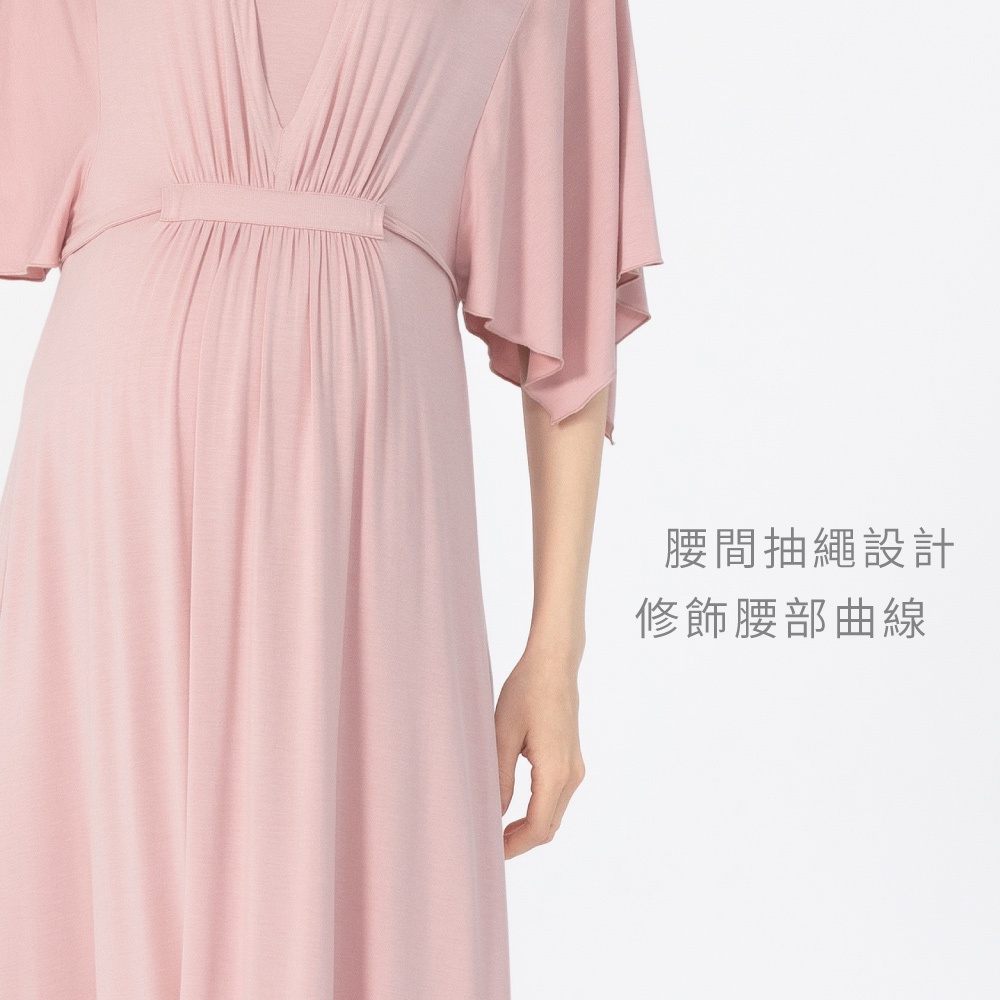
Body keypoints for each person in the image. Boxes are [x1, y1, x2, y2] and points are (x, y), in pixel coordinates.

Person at [0, 0, 662, 994]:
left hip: (371, 498)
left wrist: (555, 649)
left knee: (368, 890)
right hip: (111, 484)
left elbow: (569, 316)